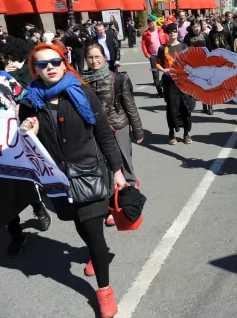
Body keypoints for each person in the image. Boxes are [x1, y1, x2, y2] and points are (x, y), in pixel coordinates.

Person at [19, 43, 127, 317]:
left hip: (89, 172)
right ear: (35, 69)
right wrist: (30, 130)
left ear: (63, 62)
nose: (50, 67)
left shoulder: (82, 93)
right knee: (78, 223)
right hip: (57, 180)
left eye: (55, 61)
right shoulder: (30, 102)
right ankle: (96, 250)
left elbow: (104, 134)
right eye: (43, 64)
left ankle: (104, 291)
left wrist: (117, 171)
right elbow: (29, 145)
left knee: (93, 230)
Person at [0, 68, 51, 257]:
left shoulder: (4, 78)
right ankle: (16, 236)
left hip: (11, 142)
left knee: (22, 182)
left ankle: (38, 207)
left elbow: (24, 101)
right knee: (2, 198)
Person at [82, 43, 144, 189]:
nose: (94, 61)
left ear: (104, 58)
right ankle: (112, 192)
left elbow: (130, 106)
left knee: (124, 161)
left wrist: (138, 131)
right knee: (105, 163)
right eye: (90, 57)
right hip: (96, 129)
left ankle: (130, 191)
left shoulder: (117, 78)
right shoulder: (82, 81)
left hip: (119, 126)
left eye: (97, 57)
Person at [157, 23, 195, 145]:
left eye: (174, 31)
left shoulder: (184, 46)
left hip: (183, 81)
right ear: (167, 33)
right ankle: (172, 132)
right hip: (169, 82)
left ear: (177, 32)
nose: (173, 33)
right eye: (170, 31)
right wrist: (164, 71)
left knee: (185, 108)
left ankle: (186, 133)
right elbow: (157, 64)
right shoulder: (163, 48)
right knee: (172, 108)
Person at [141, 18, 168, 97]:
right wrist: (147, 55)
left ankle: (163, 85)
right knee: (155, 73)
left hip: (162, 54)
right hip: (153, 56)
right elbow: (143, 45)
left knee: (166, 71)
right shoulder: (146, 34)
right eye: (150, 24)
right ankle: (159, 91)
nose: (152, 25)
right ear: (148, 25)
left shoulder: (161, 31)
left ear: (155, 23)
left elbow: (167, 40)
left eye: (153, 23)